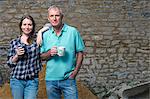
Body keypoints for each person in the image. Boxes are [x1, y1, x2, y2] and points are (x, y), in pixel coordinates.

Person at [40, 5, 85, 99]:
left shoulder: (72, 32)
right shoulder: (45, 35)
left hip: (68, 79)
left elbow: (80, 52)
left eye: (57, 15)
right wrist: (49, 53)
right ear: (48, 18)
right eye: (51, 16)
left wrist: (76, 71)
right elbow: (41, 56)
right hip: (50, 79)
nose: (54, 18)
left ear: (62, 17)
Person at [7, 15, 42, 99]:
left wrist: (40, 32)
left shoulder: (36, 40)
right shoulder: (14, 42)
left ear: (33, 26)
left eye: (30, 25)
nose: (27, 27)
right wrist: (16, 56)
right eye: (25, 24)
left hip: (32, 81)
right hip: (17, 80)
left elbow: (49, 25)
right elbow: (9, 63)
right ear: (21, 26)